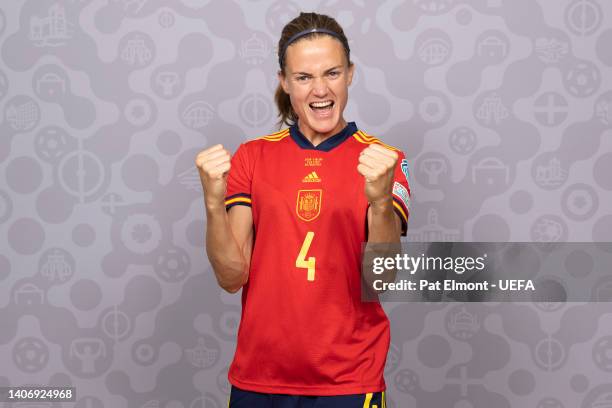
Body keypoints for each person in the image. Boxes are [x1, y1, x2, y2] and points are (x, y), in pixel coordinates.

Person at [195, 11, 411, 408]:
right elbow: (230, 277)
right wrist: (212, 202)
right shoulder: (253, 156)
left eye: (331, 73)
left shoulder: (385, 159)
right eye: (303, 77)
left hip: (348, 380)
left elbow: (383, 279)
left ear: (350, 74)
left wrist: (380, 203)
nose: (319, 90)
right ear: (284, 81)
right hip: (260, 378)